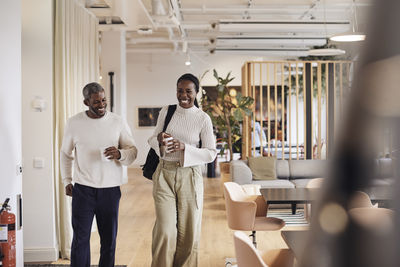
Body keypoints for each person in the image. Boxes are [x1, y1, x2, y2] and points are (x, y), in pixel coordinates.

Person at [60, 82, 138, 267]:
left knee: (109, 241)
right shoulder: (74, 122)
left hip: (110, 191)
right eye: (96, 102)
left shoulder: (117, 121)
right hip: (83, 190)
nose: (102, 105)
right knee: (80, 240)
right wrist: (67, 180)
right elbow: (65, 154)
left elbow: (132, 151)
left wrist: (120, 154)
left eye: (104, 100)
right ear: (86, 102)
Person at [148, 73, 217, 267]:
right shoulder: (167, 111)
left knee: (188, 232)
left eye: (188, 91)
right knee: (165, 229)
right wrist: (159, 140)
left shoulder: (203, 118)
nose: (183, 95)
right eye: (180, 90)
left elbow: (211, 153)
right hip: (164, 173)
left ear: (196, 93)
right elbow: (152, 139)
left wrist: (185, 147)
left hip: (190, 176)